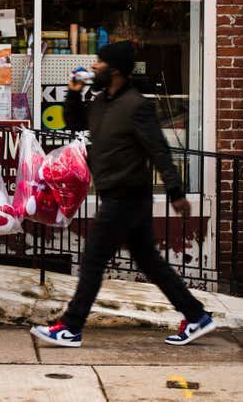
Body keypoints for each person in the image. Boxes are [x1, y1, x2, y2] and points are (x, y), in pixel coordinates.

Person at [30, 41, 215, 347]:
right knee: (150, 262)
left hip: (126, 197)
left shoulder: (137, 105)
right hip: (118, 196)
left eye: (99, 62)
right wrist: (73, 93)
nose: (93, 66)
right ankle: (195, 315)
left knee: (92, 261)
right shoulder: (102, 101)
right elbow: (75, 122)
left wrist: (175, 191)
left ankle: (71, 327)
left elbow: (158, 149)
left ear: (114, 69)